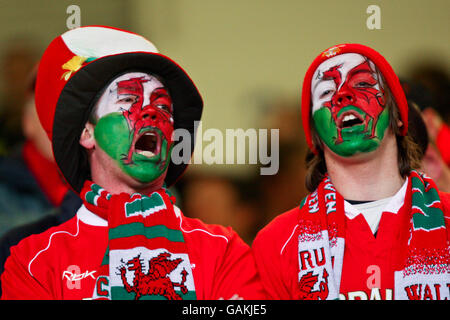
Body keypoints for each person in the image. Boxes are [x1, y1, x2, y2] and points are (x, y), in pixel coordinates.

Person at [1, 26, 265, 300]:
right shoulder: (34, 262)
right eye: (127, 100)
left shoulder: (223, 250)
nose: (151, 113)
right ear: (87, 132)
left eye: (163, 107)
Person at [252, 44, 450, 300]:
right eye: (326, 91)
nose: (343, 95)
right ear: (315, 134)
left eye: (363, 84)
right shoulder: (276, 243)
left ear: (399, 115)